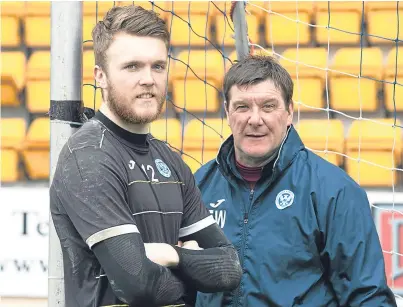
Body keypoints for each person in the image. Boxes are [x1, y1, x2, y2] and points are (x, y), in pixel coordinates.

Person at [49, 5, 242, 307]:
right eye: (132, 67)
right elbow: (139, 285)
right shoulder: (88, 157)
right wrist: (193, 267)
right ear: (100, 76)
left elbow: (230, 268)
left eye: (157, 66)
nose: (149, 79)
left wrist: (170, 255)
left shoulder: (171, 161)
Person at [194, 55, 397, 306]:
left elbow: (367, 297)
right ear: (227, 112)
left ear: (289, 112)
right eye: (242, 107)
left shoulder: (334, 191)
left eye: (268, 106)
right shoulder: (198, 186)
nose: (255, 119)